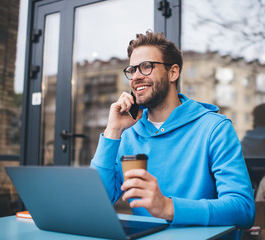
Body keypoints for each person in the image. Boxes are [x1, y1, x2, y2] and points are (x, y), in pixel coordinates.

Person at [90, 31, 255, 237]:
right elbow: (94, 202)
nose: (136, 76)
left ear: (173, 73)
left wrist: (168, 208)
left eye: (146, 66)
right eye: (132, 70)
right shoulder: (127, 134)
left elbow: (243, 209)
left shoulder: (214, 128)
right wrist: (112, 130)